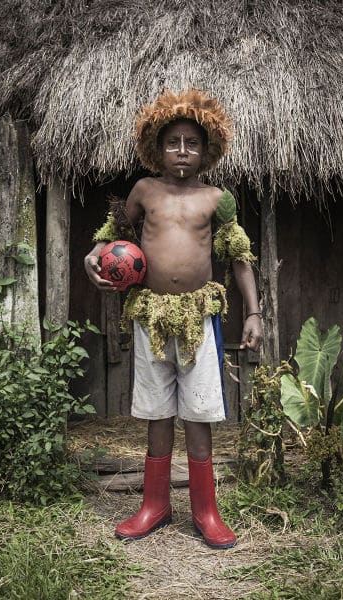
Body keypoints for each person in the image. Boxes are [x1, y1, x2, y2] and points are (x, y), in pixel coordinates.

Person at [84, 89, 263, 549]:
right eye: (173, 143)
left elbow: (239, 256)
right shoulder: (145, 191)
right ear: (156, 148)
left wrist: (255, 312)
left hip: (199, 318)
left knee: (198, 412)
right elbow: (114, 237)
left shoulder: (217, 199)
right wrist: (95, 255)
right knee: (157, 411)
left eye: (192, 143)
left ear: (207, 151)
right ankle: (155, 505)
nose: (182, 150)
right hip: (152, 317)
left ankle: (205, 510)